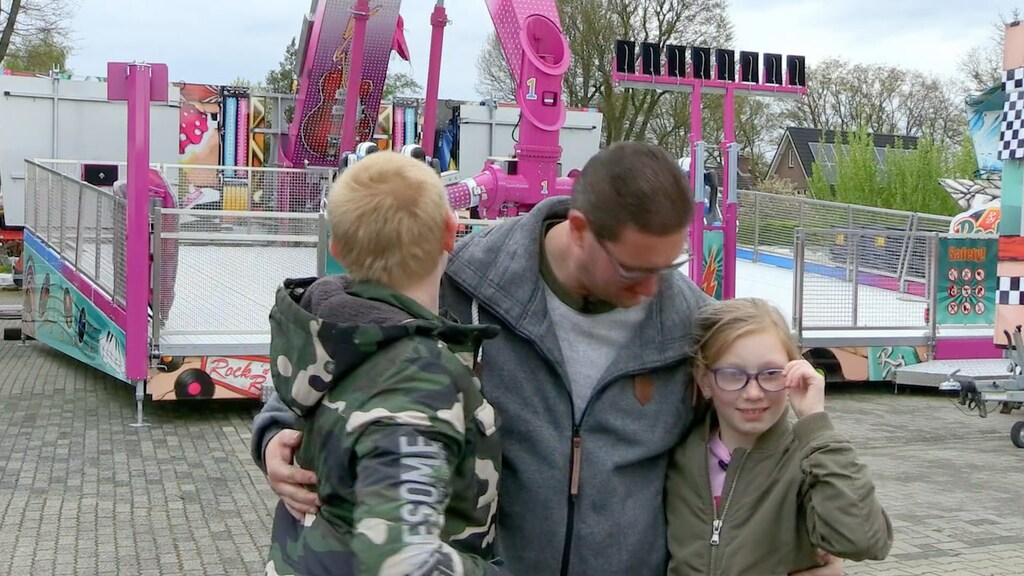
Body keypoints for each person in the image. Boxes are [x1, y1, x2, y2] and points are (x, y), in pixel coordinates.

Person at [253, 142, 846, 576]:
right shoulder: (462, 277)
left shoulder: (690, 322)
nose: (653, 290)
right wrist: (276, 431)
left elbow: (747, 436)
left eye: (667, 268)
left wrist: (798, 538)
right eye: (634, 270)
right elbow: (343, 347)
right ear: (581, 230)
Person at [263, 151, 504, 575]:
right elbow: (404, 561)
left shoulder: (327, 334)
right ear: (451, 232)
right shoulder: (416, 379)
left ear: (336, 245)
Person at [666, 298, 893, 575]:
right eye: (732, 374)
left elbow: (863, 541)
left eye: (771, 373)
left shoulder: (808, 462)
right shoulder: (678, 457)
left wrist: (816, 424)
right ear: (704, 380)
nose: (753, 393)